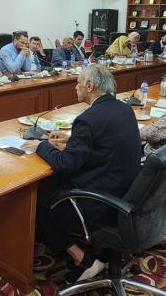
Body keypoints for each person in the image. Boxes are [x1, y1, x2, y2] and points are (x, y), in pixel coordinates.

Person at [22, 65, 142, 283]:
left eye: (78, 83)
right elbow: (106, 142)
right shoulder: (124, 109)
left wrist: (41, 145)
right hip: (125, 194)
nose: (75, 87)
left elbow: (65, 164)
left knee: (35, 198)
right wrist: (72, 140)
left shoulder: (88, 118)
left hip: (98, 203)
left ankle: (83, 259)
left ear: (89, 85)